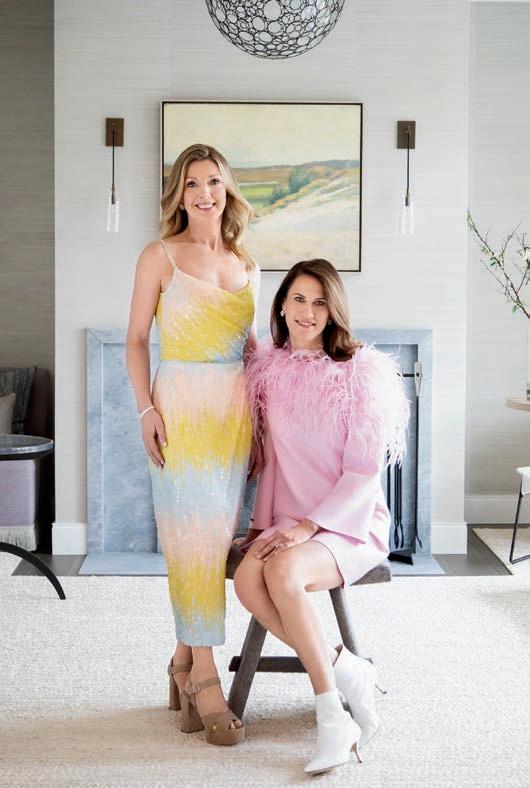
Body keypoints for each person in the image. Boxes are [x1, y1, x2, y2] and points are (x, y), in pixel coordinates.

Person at [233, 259, 409, 774]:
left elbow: (362, 471)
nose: (307, 312)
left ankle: (331, 715)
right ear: (281, 305)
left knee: (283, 571)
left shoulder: (360, 373)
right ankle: (343, 666)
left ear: (333, 312)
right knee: (247, 579)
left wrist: (309, 526)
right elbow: (272, 460)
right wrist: (261, 526)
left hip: (349, 522)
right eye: (299, 299)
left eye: (319, 302)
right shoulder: (268, 371)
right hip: (291, 521)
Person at [126, 143, 259, 746]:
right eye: (192, 184)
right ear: (179, 194)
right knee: (193, 542)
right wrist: (146, 410)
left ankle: (181, 662)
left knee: (212, 540)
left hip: (234, 417)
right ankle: (205, 677)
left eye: (214, 182)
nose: (205, 194)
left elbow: (252, 352)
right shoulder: (159, 256)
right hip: (178, 409)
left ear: (228, 189)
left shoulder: (247, 264)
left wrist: (264, 424)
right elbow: (136, 340)